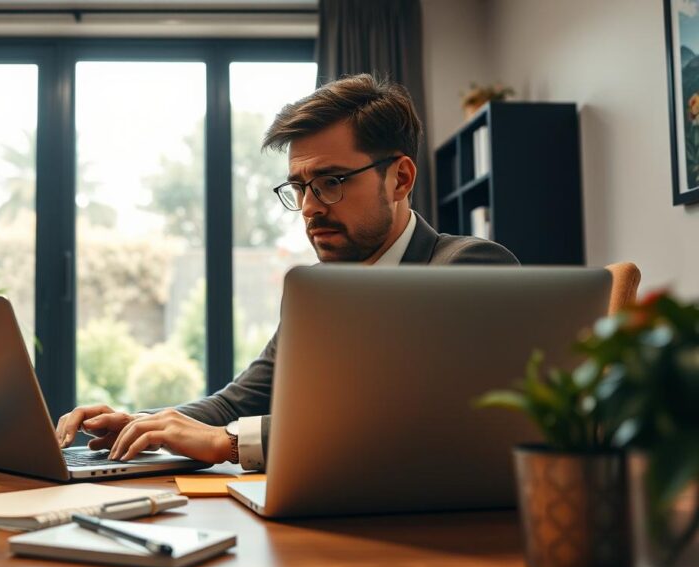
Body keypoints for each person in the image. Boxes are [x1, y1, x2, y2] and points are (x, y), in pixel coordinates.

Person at [54, 73, 519, 471]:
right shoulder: (315, 292)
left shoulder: (468, 268)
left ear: (400, 178)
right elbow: (236, 403)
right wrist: (141, 423)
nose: (309, 208)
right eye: (299, 187)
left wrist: (232, 443)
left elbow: (412, 418)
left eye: (331, 182)